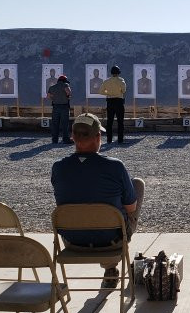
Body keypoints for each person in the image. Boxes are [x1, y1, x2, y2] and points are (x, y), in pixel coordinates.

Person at [51, 114, 137, 288]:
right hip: (112, 239)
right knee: (137, 186)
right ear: (98, 137)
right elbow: (131, 207)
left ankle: (110, 267)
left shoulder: (58, 167)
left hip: (72, 240)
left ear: (73, 137)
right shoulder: (115, 166)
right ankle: (110, 266)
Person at [99, 64, 127, 144]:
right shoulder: (121, 80)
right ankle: (120, 140)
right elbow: (124, 90)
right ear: (118, 73)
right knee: (120, 122)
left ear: (111, 73)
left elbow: (100, 91)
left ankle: (109, 140)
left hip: (110, 101)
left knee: (109, 121)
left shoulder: (106, 81)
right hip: (119, 101)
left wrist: (108, 92)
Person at [47, 74, 72, 144]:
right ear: (64, 81)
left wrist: (54, 98)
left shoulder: (52, 87)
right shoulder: (66, 85)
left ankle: (54, 140)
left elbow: (48, 97)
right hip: (64, 107)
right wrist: (67, 96)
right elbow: (69, 92)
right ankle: (65, 139)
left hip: (55, 107)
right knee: (65, 124)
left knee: (55, 124)